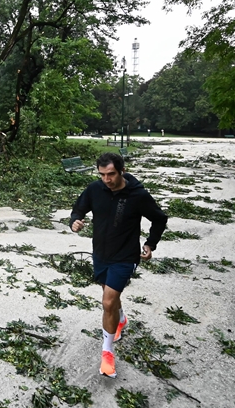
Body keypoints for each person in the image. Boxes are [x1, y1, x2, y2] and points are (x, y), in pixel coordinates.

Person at [69, 152, 167, 378]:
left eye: (111, 174)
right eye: (102, 174)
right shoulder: (95, 189)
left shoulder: (138, 195)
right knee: (109, 297)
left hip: (125, 256)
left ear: (121, 171)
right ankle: (121, 319)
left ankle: (107, 352)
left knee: (107, 301)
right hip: (101, 254)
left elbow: (159, 218)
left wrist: (151, 244)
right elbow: (78, 209)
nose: (106, 179)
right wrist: (74, 221)